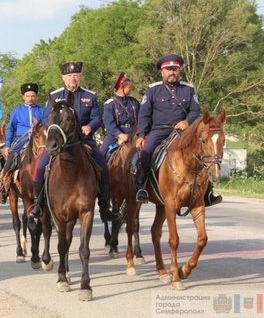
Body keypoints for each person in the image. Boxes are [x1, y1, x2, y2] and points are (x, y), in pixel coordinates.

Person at [29, 61, 120, 222]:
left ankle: (105, 207)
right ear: (63, 78)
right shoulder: (55, 96)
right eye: (70, 75)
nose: (73, 78)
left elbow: (97, 118)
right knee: (40, 166)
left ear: (80, 76)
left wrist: (89, 127)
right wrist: (53, 130)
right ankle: (38, 203)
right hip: (58, 141)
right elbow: (46, 117)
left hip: (83, 140)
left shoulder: (90, 96)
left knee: (104, 168)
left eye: (76, 75)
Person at [135, 54, 222, 206]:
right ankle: (141, 187)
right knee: (147, 152)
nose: (172, 72)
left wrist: (187, 122)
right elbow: (144, 114)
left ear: (179, 71)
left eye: (175, 69)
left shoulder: (188, 89)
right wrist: (141, 135)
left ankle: (207, 190)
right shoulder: (152, 90)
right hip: (159, 130)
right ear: (162, 71)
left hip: (183, 131)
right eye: (168, 69)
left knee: (200, 151)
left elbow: (195, 111)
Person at [0, 83, 45, 203]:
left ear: (36, 96)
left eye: (33, 96)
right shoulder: (17, 111)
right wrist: (8, 145)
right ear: (23, 96)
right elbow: (11, 129)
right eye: (28, 96)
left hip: (38, 139)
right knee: (11, 159)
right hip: (21, 140)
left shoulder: (42, 110)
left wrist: (36, 129)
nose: (30, 98)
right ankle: (3, 186)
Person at [100, 72, 140, 156]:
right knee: (101, 154)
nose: (131, 89)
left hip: (134, 132)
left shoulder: (134, 101)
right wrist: (119, 134)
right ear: (122, 87)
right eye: (129, 87)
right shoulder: (110, 104)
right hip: (115, 135)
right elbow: (109, 124)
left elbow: (141, 118)